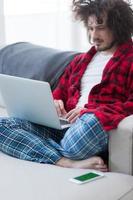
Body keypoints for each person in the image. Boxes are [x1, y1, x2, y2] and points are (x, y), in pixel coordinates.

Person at [0, 0, 133, 172]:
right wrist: (55, 102)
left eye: (100, 28)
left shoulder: (130, 60)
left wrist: (88, 111)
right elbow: (59, 91)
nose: (93, 36)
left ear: (118, 26)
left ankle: (40, 148)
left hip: (90, 127)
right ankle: (65, 161)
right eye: (91, 28)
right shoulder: (80, 61)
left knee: (91, 123)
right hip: (63, 126)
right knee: (3, 126)